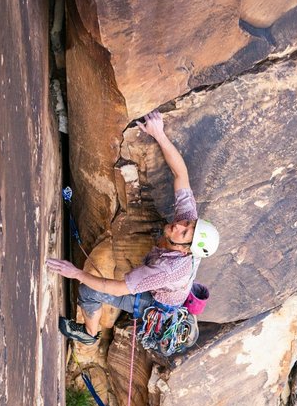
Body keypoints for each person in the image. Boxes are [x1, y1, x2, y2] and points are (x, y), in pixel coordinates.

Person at [46, 110, 219, 346]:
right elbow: (181, 175)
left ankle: (89, 334)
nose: (179, 224)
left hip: (154, 302)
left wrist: (75, 273)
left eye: (184, 232)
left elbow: (116, 288)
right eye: (187, 224)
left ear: (186, 249)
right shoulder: (188, 228)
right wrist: (159, 134)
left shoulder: (166, 270)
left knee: (89, 291)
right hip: (167, 282)